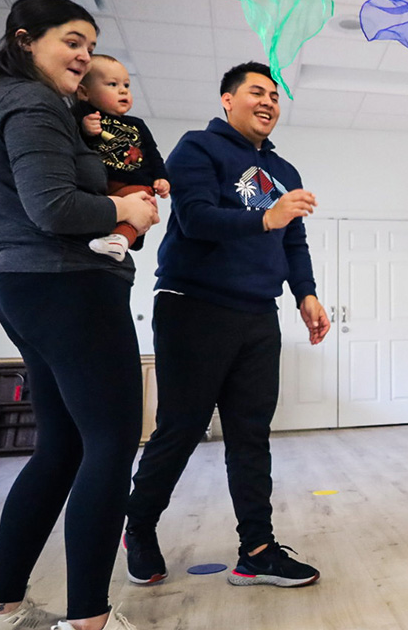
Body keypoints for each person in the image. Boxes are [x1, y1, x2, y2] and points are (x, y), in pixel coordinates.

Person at [0, 0, 159, 630]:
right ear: (25, 41)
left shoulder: (14, 104)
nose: (83, 55)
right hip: (67, 285)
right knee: (110, 442)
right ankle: (89, 622)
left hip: (28, 286)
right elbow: (53, 208)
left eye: (88, 43)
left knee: (63, 447)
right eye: (71, 40)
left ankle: (2, 609)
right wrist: (126, 212)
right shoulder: (31, 102)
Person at [123, 61, 330, 589]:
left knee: (250, 434)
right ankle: (138, 526)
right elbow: (194, 219)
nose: (268, 102)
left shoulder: (286, 172)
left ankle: (257, 551)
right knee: (182, 428)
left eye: (275, 96)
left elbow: (294, 241)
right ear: (226, 99)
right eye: (256, 92)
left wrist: (304, 294)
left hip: (258, 313)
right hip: (194, 305)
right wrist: (266, 216)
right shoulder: (198, 148)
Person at [74, 54, 170, 261]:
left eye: (126, 85)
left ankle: (120, 241)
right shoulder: (83, 114)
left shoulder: (137, 124)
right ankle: (110, 238)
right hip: (100, 184)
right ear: (84, 92)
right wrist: (83, 127)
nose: (123, 90)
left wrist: (161, 177)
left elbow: (152, 154)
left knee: (141, 206)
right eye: (112, 84)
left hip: (134, 182)